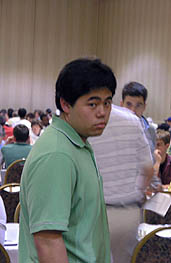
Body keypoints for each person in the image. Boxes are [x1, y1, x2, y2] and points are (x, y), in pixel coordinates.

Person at [19, 58, 116, 263]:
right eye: (93, 103)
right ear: (65, 104)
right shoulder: (56, 154)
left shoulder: (76, 144)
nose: (102, 112)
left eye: (107, 103)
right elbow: (48, 241)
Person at [90, 104, 154, 263]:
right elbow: (148, 168)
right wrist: (137, 191)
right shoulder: (132, 120)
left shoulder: (85, 118)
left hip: (93, 211)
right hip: (127, 213)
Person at [121, 82, 156, 161]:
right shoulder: (111, 128)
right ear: (121, 104)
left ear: (144, 107)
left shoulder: (150, 130)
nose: (133, 110)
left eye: (138, 105)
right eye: (129, 104)